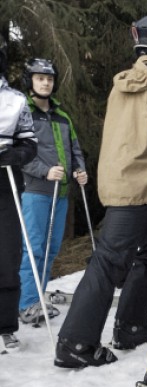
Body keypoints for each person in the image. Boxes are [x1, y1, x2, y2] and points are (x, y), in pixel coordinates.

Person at [54, 15, 147, 368]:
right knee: (109, 261)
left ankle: (131, 325)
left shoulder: (124, 82)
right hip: (140, 187)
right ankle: (75, 343)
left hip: (121, 181)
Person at [17, 58, 88, 325]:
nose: (46, 83)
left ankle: (37, 297)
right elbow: (18, 154)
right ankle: (26, 304)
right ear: (30, 82)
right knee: (34, 248)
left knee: (51, 248)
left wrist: (79, 170)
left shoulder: (62, 116)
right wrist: (43, 171)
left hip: (62, 192)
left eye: (49, 79)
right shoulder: (23, 113)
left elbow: (75, 149)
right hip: (36, 190)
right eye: (39, 78)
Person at [0, 34, 38, 350]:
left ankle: (5, 325)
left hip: (5, 186)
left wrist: (14, 155)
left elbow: (30, 143)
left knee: (7, 257)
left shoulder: (15, 100)